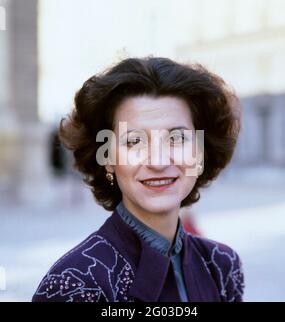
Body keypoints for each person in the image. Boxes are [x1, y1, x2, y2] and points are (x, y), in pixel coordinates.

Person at [32, 56, 245, 302]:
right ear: (108, 158)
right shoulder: (75, 285)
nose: (158, 161)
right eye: (134, 142)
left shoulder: (222, 266)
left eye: (177, 138)